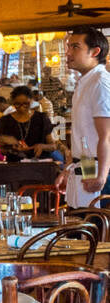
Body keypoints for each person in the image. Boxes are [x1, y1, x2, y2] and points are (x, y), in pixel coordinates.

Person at [57, 27, 110, 208]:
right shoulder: (84, 82)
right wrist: (68, 170)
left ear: (95, 52)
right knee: (81, 227)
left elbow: (106, 135)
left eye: (75, 47)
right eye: (68, 47)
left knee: (97, 231)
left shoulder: (100, 82)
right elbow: (84, 138)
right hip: (87, 164)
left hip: (100, 170)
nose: (68, 53)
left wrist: (101, 177)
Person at [0, 85, 58, 162]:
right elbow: (1, 150)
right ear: (13, 103)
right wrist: (11, 148)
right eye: (17, 104)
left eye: (26, 104)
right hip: (15, 165)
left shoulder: (41, 118)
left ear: (31, 101)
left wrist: (42, 146)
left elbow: (53, 146)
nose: (22, 107)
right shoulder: (5, 121)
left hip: (39, 164)